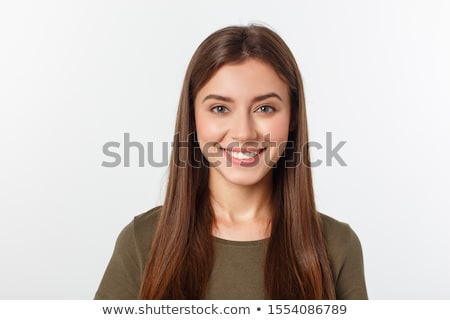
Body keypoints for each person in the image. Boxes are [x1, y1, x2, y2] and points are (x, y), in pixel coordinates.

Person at [94, 24, 368, 300]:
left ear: (293, 116)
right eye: (220, 109)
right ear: (193, 117)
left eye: (265, 108)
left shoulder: (336, 247)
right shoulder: (142, 241)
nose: (244, 133)